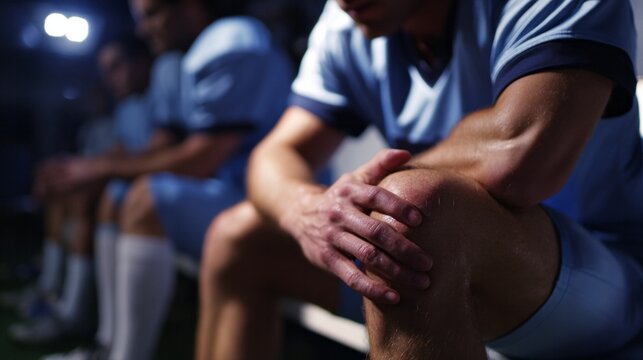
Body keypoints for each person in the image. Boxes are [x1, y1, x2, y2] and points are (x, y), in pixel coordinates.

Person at [198, 0, 643, 359]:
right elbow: (275, 154)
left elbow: (521, 155)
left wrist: (372, 189)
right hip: (439, 272)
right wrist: (309, 210)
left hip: (602, 281)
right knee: (238, 237)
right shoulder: (347, 21)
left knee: (409, 214)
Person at [43, 0, 293, 359]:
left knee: (149, 197)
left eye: (153, 13)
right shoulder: (176, 60)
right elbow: (161, 148)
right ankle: (107, 345)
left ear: (190, 7)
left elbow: (203, 160)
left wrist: (100, 167)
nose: (144, 29)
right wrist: (94, 168)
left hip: (262, 199)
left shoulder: (232, 39)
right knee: (118, 192)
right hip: (224, 192)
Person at [6, 37, 153, 345]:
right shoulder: (128, 108)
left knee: (92, 195)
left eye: (116, 67)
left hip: (146, 193)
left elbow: (157, 155)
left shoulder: (158, 94)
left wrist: (91, 172)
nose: (109, 79)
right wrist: (71, 169)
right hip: (127, 186)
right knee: (67, 190)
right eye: (105, 71)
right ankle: (52, 290)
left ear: (141, 63)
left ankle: (75, 315)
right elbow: (117, 154)